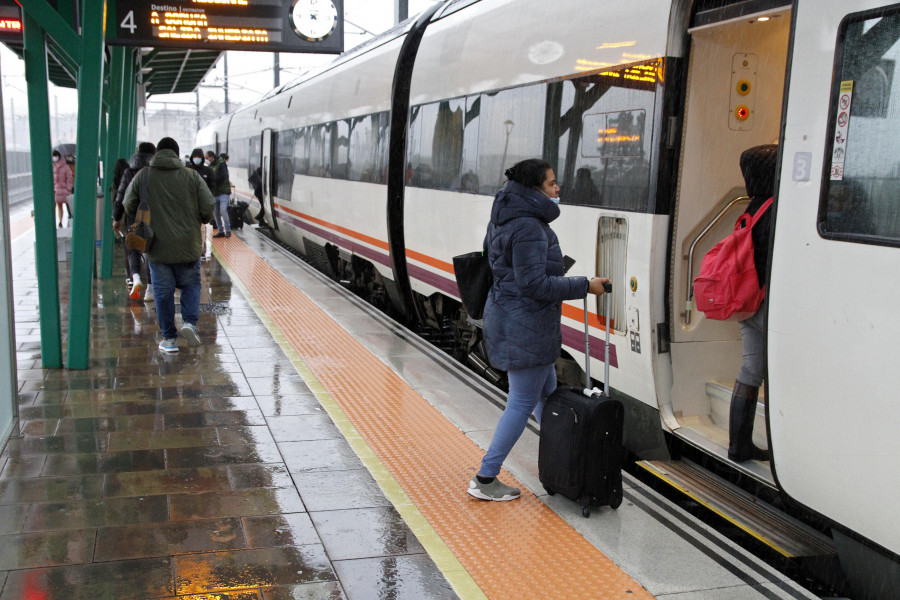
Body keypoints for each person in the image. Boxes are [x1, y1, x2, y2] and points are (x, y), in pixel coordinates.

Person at [467, 158, 610, 501]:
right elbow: (534, 285)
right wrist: (584, 285)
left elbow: (515, 274)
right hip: (525, 324)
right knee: (520, 402)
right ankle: (485, 479)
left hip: (517, 319)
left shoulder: (506, 217)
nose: (557, 188)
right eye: (551, 184)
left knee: (546, 398)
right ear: (534, 190)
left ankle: (566, 465)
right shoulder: (530, 226)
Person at [124, 137, 215, 353]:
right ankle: (189, 324)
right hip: (188, 245)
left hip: (157, 247)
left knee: (162, 293)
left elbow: (128, 204)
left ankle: (169, 339)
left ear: (158, 153)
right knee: (191, 285)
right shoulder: (192, 176)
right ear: (176, 153)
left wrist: (143, 216)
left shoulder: (143, 176)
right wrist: (202, 217)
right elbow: (208, 205)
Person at [728, 144, 778, 463]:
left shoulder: (751, 210)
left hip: (747, 302)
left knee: (750, 372)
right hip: (770, 306)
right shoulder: (778, 210)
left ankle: (738, 444)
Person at [113, 142, 156, 302]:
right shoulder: (155, 172)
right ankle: (150, 289)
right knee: (151, 251)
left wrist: (117, 218)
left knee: (133, 248)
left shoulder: (129, 172)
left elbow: (121, 197)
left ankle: (136, 277)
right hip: (153, 216)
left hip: (134, 216)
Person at [188, 148, 215, 259]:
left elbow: (212, 186)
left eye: (198, 157)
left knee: (201, 229)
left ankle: (201, 250)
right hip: (188, 204)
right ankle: (195, 248)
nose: (196, 159)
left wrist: (209, 200)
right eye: (195, 157)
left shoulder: (208, 171)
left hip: (201, 205)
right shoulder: (187, 170)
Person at [207, 150, 232, 238]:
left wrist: (212, 181)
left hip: (223, 192)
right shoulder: (211, 165)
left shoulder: (221, 164)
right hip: (215, 193)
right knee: (216, 213)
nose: (208, 160)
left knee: (223, 210)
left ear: (212, 157)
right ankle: (220, 230)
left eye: (208, 158)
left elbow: (223, 176)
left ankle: (228, 230)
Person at [52, 150, 73, 228]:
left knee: (63, 206)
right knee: (59, 206)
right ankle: (60, 221)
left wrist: (68, 187)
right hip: (57, 190)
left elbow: (69, 177)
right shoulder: (55, 166)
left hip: (62, 190)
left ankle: (63, 220)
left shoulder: (64, 167)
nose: (54, 158)